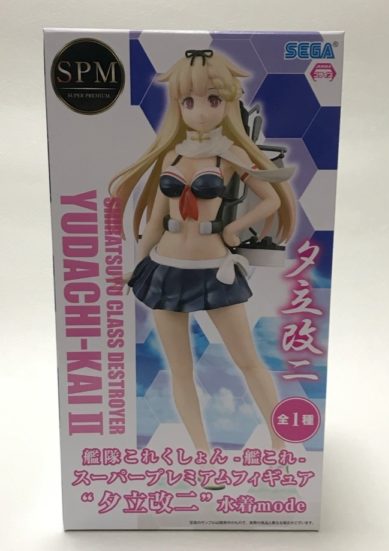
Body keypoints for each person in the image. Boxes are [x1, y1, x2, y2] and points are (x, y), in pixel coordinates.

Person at [108, 48, 297, 473]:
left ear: (228, 102)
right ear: (177, 104)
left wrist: (234, 229)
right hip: (164, 267)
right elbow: (154, 222)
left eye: (213, 99)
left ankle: (281, 448)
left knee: (248, 361)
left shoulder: (229, 156)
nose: (200, 110)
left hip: (215, 270)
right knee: (181, 370)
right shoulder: (171, 157)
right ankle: (202, 456)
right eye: (188, 101)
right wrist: (138, 267)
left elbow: (271, 198)